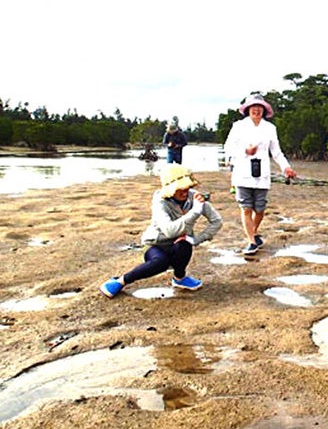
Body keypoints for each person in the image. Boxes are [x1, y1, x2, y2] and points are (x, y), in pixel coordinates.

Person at [99, 164, 223, 298]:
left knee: (185, 244)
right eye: (179, 188)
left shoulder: (194, 198)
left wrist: (196, 239)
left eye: (187, 187)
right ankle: (120, 281)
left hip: (178, 243)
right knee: (160, 262)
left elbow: (217, 221)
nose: (184, 192)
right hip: (155, 244)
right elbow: (170, 231)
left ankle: (179, 278)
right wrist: (195, 212)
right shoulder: (160, 201)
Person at [224, 94, 297, 256]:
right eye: (253, 107)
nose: (256, 110)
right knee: (246, 208)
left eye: (259, 107)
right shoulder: (238, 126)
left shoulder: (270, 128)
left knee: (260, 209)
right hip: (242, 172)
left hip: (262, 173)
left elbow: (276, 152)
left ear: (264, 110)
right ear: (248, 109)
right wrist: (245, 151)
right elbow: (228, 147)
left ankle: (254, 232)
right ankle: (251, 241)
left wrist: (286, 168)